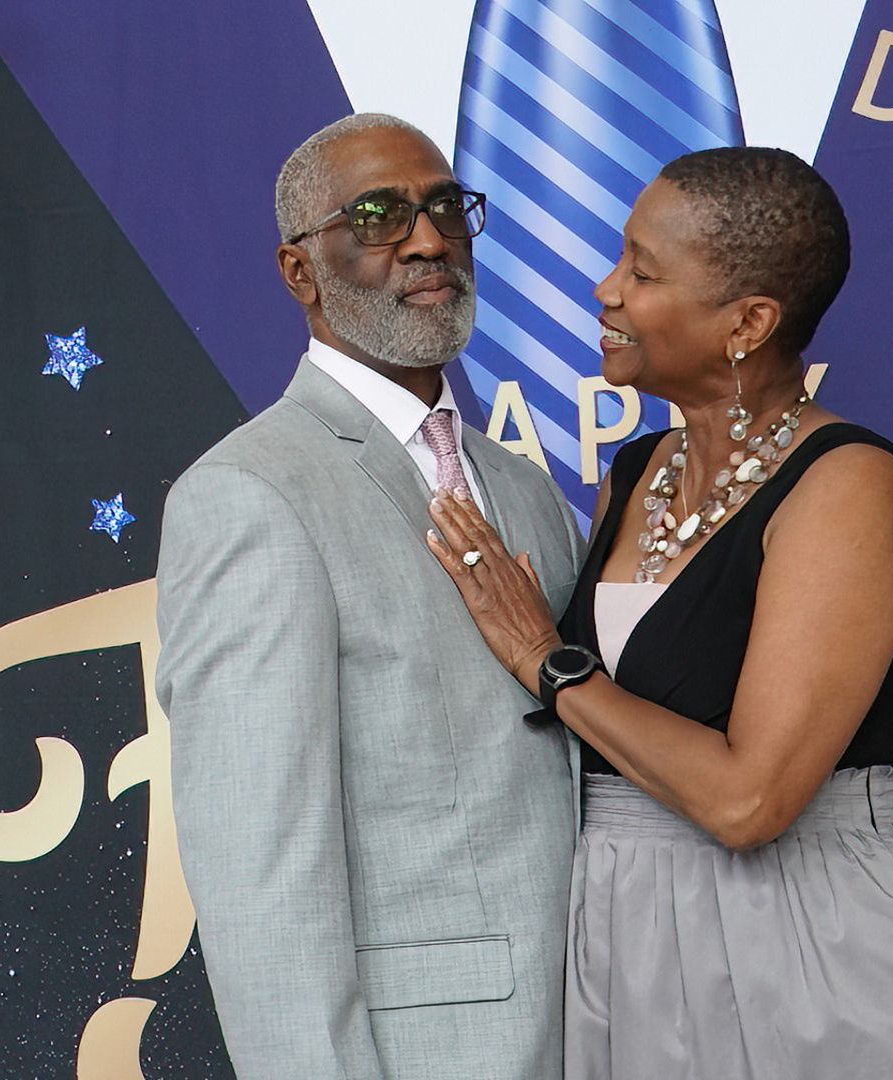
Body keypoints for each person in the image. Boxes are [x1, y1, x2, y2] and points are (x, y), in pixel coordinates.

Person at [423, 147, 893, 1079]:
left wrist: (545, 657)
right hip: (629, 929)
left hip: (824, 935)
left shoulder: (849, 487)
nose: (607, 290)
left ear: (748, 323)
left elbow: (749, 802)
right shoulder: (637, 472)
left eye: (643, 271)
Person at [155, 114, 585, 1078]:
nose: (428, 240)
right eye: (379, 216)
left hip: (599, 1033)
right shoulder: (250, 494)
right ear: (299, 271)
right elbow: (259, 866)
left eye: (446, 209)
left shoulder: (525, 492)